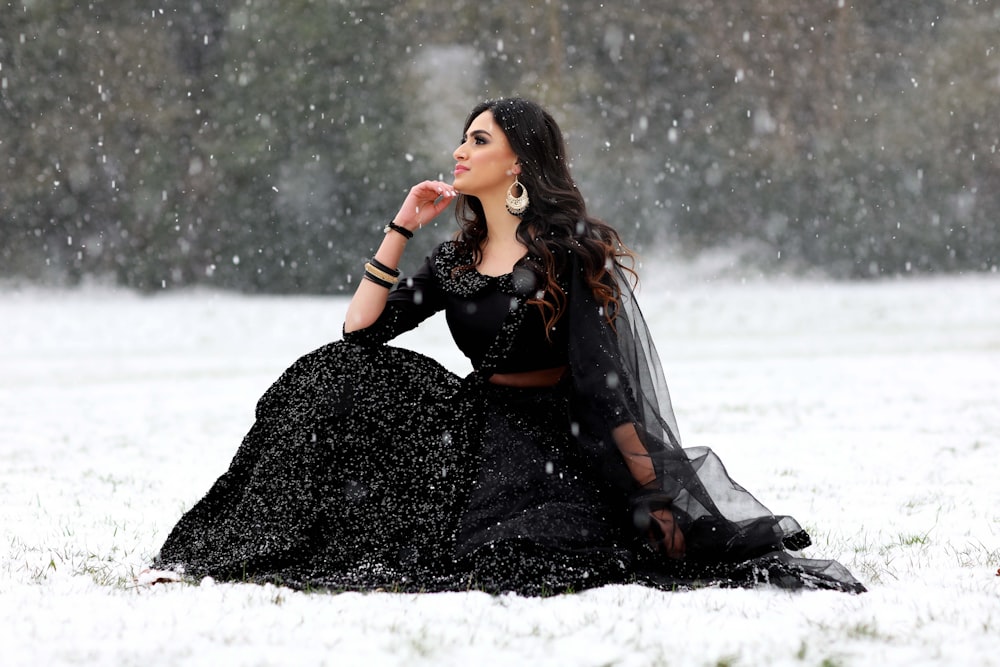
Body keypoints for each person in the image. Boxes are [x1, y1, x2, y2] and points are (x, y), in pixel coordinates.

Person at [150, 98, 865, 594]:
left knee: (512, 551)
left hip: (552, 437)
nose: (460, 151)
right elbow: (360, 330)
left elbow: (602, 381)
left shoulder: (569, 255)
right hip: (470, 425)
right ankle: (245, 532)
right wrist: (400, 226)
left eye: (480, 140)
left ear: (521, 160)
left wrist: (654, 493)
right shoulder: (455, 259)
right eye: (461, 138)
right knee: (329, 377)